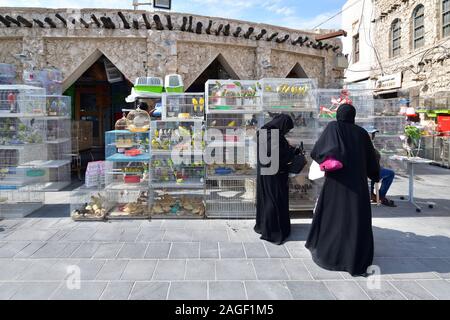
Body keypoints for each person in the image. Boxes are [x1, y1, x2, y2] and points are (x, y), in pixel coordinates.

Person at [306, 104, 380, 276]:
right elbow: (372, 159)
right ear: (353, 116)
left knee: (334, 217)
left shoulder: (333, 127)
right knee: (355, 219)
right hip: (358, 186)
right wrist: (375, 176)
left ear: (338, 114)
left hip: (337, 183)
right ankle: (353, 257)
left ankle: (331, 254)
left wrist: (330, 159)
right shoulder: (361, 133)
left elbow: (317, 151)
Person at [254, 114, 302, 245]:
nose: (287, 131)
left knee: (267, 199)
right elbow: (277, 155)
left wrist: (289, 149)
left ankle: (264, 226)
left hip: (266, 173)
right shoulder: (273, 135)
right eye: (287, 128)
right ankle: (273, 231)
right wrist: (293, 153)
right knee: (274, 200)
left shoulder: (266, 132)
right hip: (273, 175)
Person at [366, 128, 396, 207]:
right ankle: (380, 196)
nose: (374, 136)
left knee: (382, 172)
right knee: (390, 173)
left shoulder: (368, 144)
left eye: (374, 134)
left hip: (373, 169)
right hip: (371, 170)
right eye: (372, 134)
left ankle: (374, 195)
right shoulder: (366, 145)